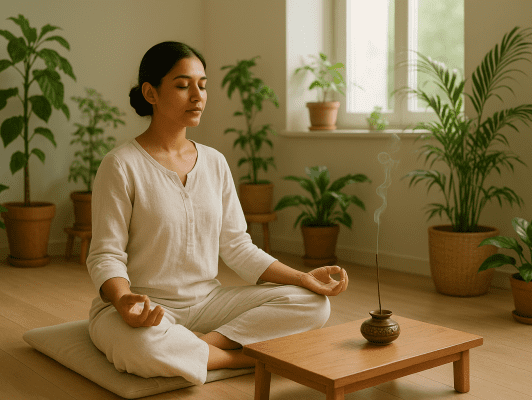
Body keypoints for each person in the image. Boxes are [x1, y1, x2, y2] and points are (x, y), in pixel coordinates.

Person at [86, 41, 349, 386]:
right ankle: (244, 358)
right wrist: (123, 302)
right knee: (140, 348)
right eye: (182, 86)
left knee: (314, 305)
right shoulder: (120, 165)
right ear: (151, 93)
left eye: (203, 85)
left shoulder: (214, 162)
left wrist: (301, 278)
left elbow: (237, 246)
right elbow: (105, 255)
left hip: (209, 301)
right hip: (143, 307)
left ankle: (202, 349)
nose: (197, 95)